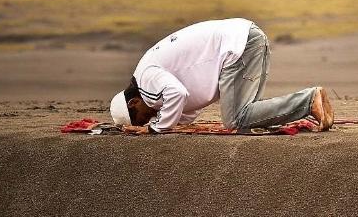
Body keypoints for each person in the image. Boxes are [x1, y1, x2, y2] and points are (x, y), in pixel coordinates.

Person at [110, 17, 334, 134]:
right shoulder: (149, 74)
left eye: (142, 118)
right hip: (247, 38)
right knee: (246, 116)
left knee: (236, 119)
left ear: (133, 102)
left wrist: (156, 128)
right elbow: (187, 105)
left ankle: (309, 101)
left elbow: (177, 94)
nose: (149, 119)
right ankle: (314, 104)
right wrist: (173, 124)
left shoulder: (146, 79)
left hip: (238, 46)